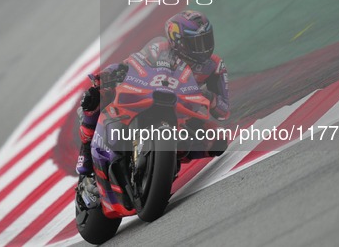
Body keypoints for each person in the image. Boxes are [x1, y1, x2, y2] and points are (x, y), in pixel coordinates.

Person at [75, 11, 230, 175]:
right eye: (197, 42)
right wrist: (109, 73)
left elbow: (223, 111)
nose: (204, 47)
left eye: (206, 39)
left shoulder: (215, 65)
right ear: (178, 41)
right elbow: (129, 64)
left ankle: (170, 159)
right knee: (94, 97)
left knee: (219, 139)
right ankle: (86, 148)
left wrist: (210, 98)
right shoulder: (159, 49)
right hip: (149, 96)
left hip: (186, 113)